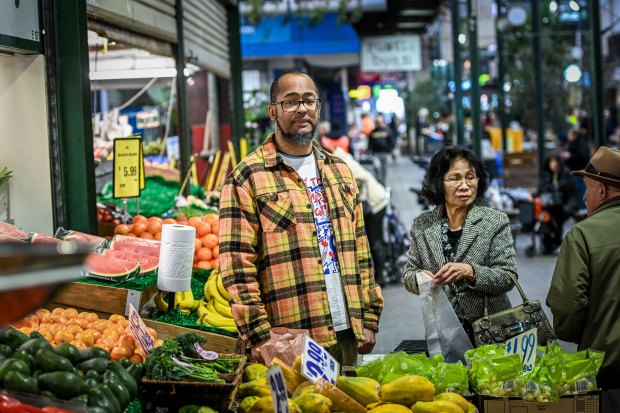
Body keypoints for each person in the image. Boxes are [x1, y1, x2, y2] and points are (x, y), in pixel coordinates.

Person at [219, 70, 383, 366]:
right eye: (290, 102)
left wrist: (370, 315)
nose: (302, 109)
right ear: (273, 111)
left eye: (309, 101)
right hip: (290, 337)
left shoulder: (339, 171)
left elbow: (361, 248)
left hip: (347, 328)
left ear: (317, 108)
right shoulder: (246, 177)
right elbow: (236, 263)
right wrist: (258, 335)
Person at [402, 146, 517, 344]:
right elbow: (408, 274)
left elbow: (508, 276)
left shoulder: (495, 221)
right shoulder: (422, 225)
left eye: (470, 177)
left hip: (493, 333)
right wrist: (420, 278)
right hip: (445, 335)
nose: (464, 185)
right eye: (455, 178)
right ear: (439, 182)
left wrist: (471, 271)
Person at [546, 147, 620, 411]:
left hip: (609, 372)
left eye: (587, 188)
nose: (584, 196)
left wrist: (582, 333)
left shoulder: (582, 235)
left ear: (601, 190)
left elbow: (568, 306)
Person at [329, 145, 390, 287]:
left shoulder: (342, 163)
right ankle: (378, 274)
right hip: (378, 199)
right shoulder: (343, 158)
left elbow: (361, 179)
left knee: (375, 241)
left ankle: (380, 277)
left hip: (375, 203)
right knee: (373, 240)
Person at [537, 154, 578, 253]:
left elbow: (571, 194)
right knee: (548, 216)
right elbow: (541, 190)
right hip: (550, 206)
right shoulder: (547, 175)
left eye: (556, 162)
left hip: (564, 205)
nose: (554, 164)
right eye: (551, 162)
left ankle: (555, 241)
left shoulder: (566, 174)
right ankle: (551, 241)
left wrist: (567, 207)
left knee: (556, 215)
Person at [368, 113, 395, 185]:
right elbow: (370, 142)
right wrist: (369, 151)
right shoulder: (373, 132)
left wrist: (391, 150)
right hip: (376, 153)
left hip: (385, 153)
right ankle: (378, 182)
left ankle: (383, 183)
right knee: (376, 167)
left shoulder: (388, 130)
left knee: (384, 170)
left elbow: (392, 141)